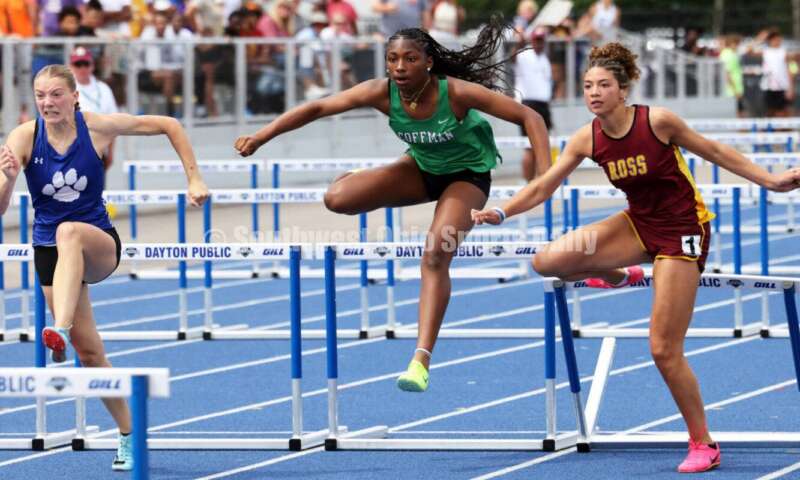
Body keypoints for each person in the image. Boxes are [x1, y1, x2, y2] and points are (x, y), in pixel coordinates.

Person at [472, 43, 800, 473]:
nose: (593, 93)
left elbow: (716, 153)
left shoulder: (658, 121)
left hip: (682, 230)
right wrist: (502, 210)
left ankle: (704, 442)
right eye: (588, 85)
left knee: (663, 348)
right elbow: (543, 185)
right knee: (548, 260)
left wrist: (770, 180)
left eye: (603, 85)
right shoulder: (586, 138)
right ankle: (615, 275)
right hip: (637, 225)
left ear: (622, 90)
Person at [235, 20, 552, 393]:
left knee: (436, 253)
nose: (399, 67)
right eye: (392, 59)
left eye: (409, 59)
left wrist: (546, 175)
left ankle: (420, 360)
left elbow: (529, 117)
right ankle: (356, 178)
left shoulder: (458, 94)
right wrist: (262, 136)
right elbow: (320, 106)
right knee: (336, 199)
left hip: (466, 178)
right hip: (419, 169)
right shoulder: (381, 92)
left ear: (428, 62)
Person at [0, 65, 209, 471]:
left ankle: (58, 328)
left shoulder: (97, 127)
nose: (48, 103)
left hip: (97, 244)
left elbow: (169, 124)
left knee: (70, 232)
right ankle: (130, 435)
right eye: (41, 95)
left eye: (56, 94)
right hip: (50, 255)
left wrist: (194, 179)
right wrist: (8, 179)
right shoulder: (23, 138)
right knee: (92, 355)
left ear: (75, 96)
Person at [68, 47, 119, 183]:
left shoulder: (103, 88)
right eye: (78, 64)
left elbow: (113, 122)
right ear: (71, 67)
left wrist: (111, 152)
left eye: (85, 64)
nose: (82, 68)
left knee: (97, 196)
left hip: (99, 149)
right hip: (73, 151)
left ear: (92, 66)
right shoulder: (66, 89)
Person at [514, 28, 552, 180]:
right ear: (532, 40)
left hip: (543, 104)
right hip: (528, 103)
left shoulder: (544, 58)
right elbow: (512, 58)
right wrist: (519, 42)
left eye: (541, 40)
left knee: (541, 147)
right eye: (536, 40)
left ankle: (539, 181)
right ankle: (527, 183)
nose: (539, 43)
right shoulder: (524, 54)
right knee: (530, 147)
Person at [718, 34, 745, 117]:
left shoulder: (730, 54)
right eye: (737, 44)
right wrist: (735, 90)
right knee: (739, 115)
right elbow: (726, 74)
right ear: (732, 43)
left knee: (740, 113)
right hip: (731, 91)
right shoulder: (728, 55)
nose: (738, 46)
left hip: (734, 89)